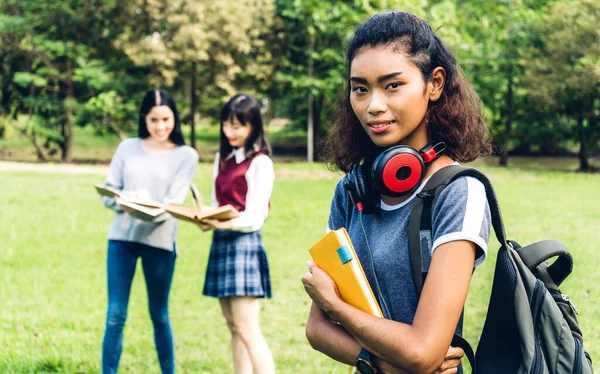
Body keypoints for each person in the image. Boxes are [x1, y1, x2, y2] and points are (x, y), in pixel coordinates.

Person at [301, 12, 493, 374]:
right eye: (360, 88)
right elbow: (317, 329)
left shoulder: (458, 192)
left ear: (434, 84)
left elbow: (423, 350)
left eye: (392, 85)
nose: (373, 105)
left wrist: (337, 308)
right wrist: (386, 365)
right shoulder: (350, 191)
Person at [100, 89, 199, 374]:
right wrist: (125, 200)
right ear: (144, 118)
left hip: (160, 243)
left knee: (159, 315)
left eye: (166, 119)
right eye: (153, 119)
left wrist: (143, 204)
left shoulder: (186, 155)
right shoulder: (127, 148)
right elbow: (109, 192)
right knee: (115, 315)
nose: (160, 126)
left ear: (175, 119)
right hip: (122, 240)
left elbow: (173, 202)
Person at [198, 93, 275, 374]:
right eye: (226, 125)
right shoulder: (223, 158)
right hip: (221, 242)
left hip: (243, 243)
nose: (230, 132)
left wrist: (224, 223)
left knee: (247, 328)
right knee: (234, 327)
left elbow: (256, 216)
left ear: (253, 126)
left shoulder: (260, 162)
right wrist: (205, 216)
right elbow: (218, 203)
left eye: (237, 126)